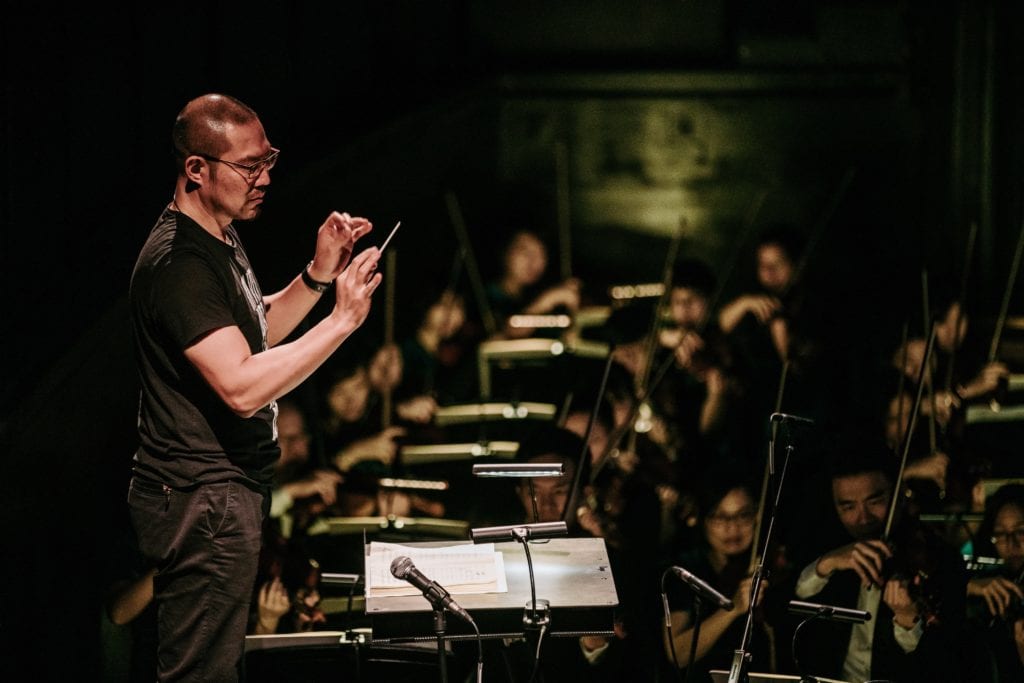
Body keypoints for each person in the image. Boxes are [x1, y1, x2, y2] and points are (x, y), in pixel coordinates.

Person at [127, 93, 381, 681]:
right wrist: (343, 322)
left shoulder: (217, 232)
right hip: (202, 498)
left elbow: (249, 331)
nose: (265, 177)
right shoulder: (178, 265)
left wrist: (320, 275)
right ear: (196, 169)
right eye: (249, 166)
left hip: (221, 493)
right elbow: (241, 386)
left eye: (269, 159)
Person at [791, 440, 967, 683]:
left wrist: (907, 621)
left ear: (899, 493)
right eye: (848, 506)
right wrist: (826, 564)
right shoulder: (825, 546)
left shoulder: (939, 558)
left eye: (874, 501)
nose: (862, 518)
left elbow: (945, 664)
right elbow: (793, 600)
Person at [663, 470, 774, 683]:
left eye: (743, 515)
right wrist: (733, 609)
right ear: (703, 519)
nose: (732, 527)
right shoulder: (686, 571)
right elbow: (678, 653)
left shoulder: (769, 564)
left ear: (757, 516)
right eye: (720, 517)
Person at [963, 483, 1024, 681]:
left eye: (1021, 531)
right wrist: (968, 587)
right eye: (1000, 534)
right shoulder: (993, 579)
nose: (1011, 543)